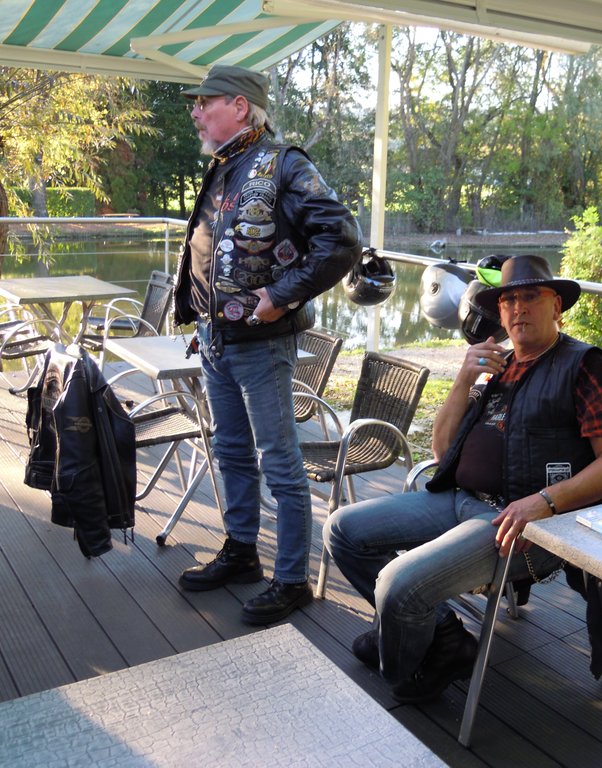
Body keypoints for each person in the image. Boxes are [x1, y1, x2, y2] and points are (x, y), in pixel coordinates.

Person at [324, 254, 602, 703]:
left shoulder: (584, 365)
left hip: (519, 524)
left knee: (397, 584)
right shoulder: (500, 367)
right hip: (458, 498)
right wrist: (463, 379)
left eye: (531, 297)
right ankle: (440, 634)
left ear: (556, 307)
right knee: (342, 529)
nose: (518, 308)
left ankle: (407, 658)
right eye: (508, 301)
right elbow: (441, 451)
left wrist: (543, 502)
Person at [172, 65, 361, 625]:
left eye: (204, 102)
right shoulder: (224, 165)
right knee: (230, 450)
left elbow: (340, 240)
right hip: (215, 338)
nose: (196, 112)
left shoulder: (285, 163)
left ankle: (292, 579)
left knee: (278, 459)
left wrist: (280, 296)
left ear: (239, 105)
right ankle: (241, 552)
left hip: (260, 343)